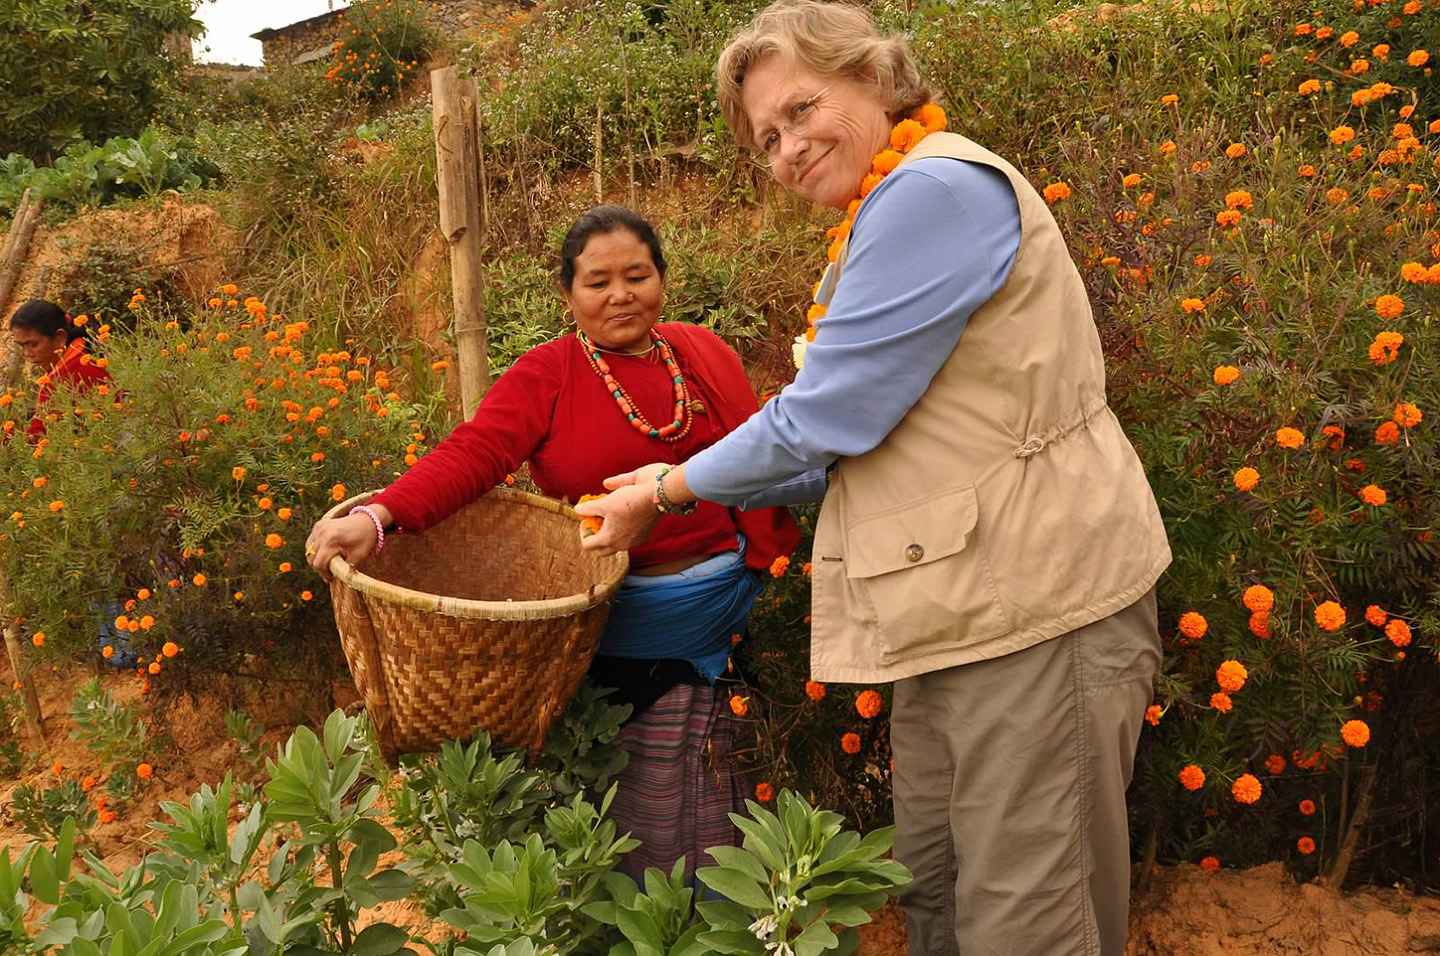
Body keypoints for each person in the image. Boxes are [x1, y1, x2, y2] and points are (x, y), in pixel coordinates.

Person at [574, 3, 1173, 953]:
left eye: (803, 108)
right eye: (768, 138)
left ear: (875, 76)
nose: (789, 148)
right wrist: (699, 478)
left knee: (1025, 914)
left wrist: (669, 488)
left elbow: (824, 419)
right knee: (936, 885)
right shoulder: (883, 217)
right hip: (964, 615)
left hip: (1037, 605)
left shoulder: (933, 193)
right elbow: (855, 451)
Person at [305, 205, 798, 882]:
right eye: (598, 281)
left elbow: (764, 454)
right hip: (620, 628)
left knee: (725, 796)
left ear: (662, 279)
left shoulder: (701, 353)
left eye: (637, 275)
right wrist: (382, 516)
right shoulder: (550, 374)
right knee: (641, 815)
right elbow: (473, 455)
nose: (621, 293)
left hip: (727, 611)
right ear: (567, 296)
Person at [7, 299, 111, 439]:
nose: (26, 353)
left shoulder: (71, 374)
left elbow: (34, 439)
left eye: (32, 344)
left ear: (60, 337)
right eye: (21, 346)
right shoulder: (82, 349)